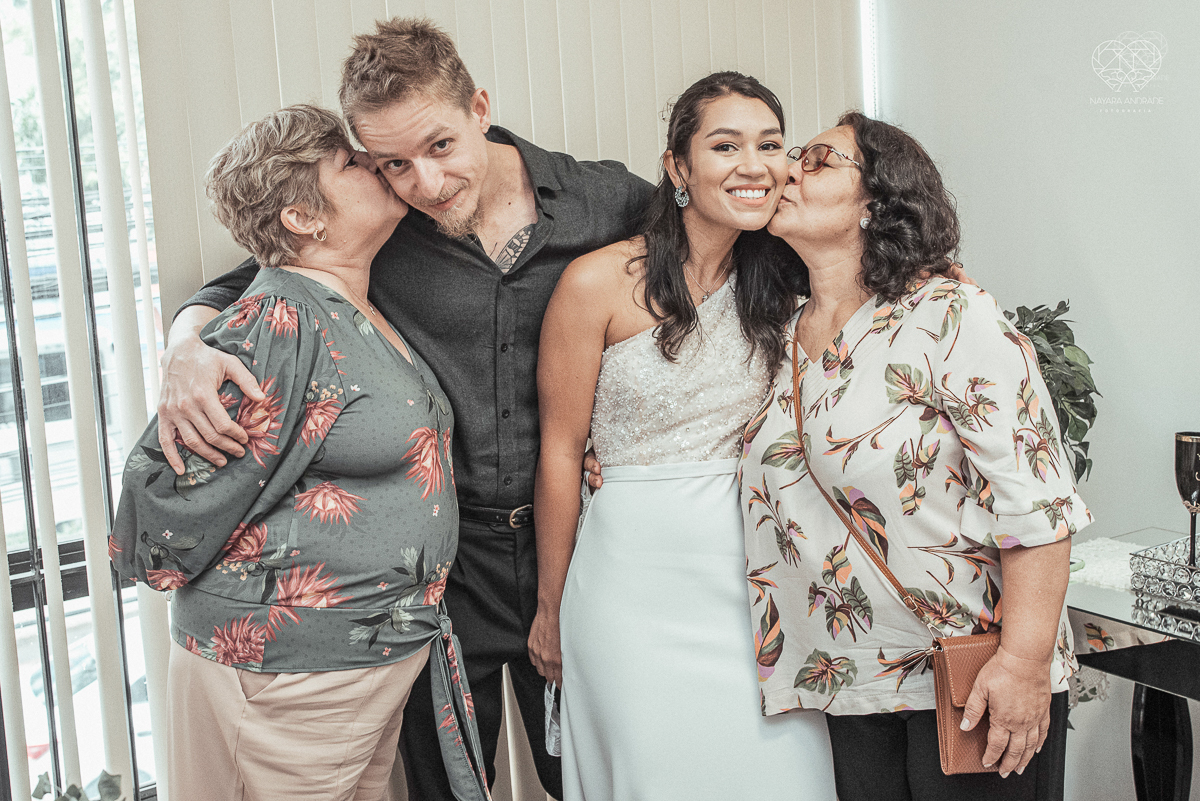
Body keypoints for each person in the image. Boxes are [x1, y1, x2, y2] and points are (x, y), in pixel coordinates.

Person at [152, 18, 651, 799]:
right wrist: (183, 346)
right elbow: (242, 286)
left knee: (592, 771)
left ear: (479, 106)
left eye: (441, 147)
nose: (423, 182)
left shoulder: (605, 200)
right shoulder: (374, 228)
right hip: (447, 572)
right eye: (391, 163)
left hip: (581, 540)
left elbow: (709, 273)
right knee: (449, 780)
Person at [110, 105, 487, 801]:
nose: (375, 163)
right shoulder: (276, 322)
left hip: (362, 666)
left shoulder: (352, 301)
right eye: (351, 162)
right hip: (285, 677)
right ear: (302, 218)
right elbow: (159, 502)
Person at [740, 111, 1091, 800]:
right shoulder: (775, 335)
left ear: (876, 201)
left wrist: (1021, 664)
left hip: (969, 679)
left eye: (820, 159)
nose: (788, 169)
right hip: (845, 685)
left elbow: (1038, 502)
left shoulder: (950, 315)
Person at [534, 72, 837, 800]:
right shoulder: (597, 283)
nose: (754, 164)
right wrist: (550, 605)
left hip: (757, 576)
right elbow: (559, 453)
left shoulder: (794, 288)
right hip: (629, 582)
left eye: (770, 145)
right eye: (725, 145)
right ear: (677, 167)